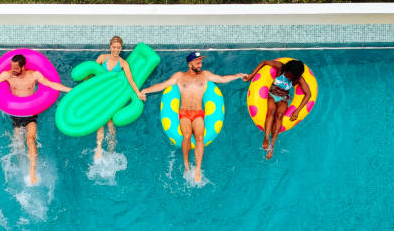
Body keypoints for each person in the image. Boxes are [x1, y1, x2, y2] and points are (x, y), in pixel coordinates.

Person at [141, 52, 247, 182]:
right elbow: (162, 85)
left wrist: (239, 75)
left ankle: (197, 169)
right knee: (186, 136)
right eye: (198, 63)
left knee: (200, 137)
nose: (200, 65)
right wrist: (145, 91)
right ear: (190, 64)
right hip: (184, 113)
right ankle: (186, 163)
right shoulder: (179, 77)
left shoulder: (205, 75)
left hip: (198, 113)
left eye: (201, 62)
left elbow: (223, 78)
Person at [0, 54, 71, 185]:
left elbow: (51, 85)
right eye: (12, 67)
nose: (13, 70)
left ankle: (32, 172)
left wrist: (70, 90)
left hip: (31, 113)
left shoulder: (34, 75)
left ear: (23, 67)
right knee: (19, 146)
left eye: (16, 68)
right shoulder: (8, 75)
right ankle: (21, 168)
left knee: (30, 139)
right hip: (15, 113)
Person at [244, 59, 311, 160]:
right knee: (271, 111)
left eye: (291, 76)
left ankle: (272, 146)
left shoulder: (298, 79)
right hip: (272, 93)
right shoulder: (280, 67)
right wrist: (251, 75)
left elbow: (308, 94)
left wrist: (297, 110)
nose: (288, 76)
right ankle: (266, 138)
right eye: (288, 73)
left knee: (279, 115)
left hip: (283, 98)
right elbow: (264, 62)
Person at [94, 36, 146, 160]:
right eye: (114, 47)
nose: (116, 50)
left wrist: (138, 93)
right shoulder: (102, 58)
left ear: (121, 48)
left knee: (111, 123)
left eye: (118, 48)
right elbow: (92, 74)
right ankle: (99, 149)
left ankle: (111, 150)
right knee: (100, 121)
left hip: (113, 96)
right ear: (110, 46)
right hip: (101, 93)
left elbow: (131, 80)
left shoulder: (123, 63)